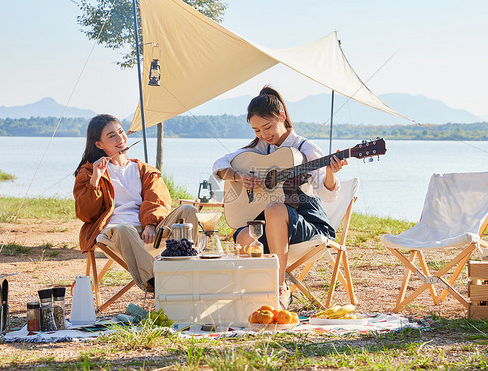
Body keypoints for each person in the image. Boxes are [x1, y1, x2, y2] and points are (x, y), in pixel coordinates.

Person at [212, 86, 347, 309]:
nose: (264, 135)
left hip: (307, 224)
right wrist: (238, 176)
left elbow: (328, 195)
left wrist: (331, 172)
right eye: (256, 131)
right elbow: (220, 164)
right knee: (243, 236)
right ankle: (254, 294)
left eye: (267, 127)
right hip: (272, 226)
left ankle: (279, 288)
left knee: (274, 208)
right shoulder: (261, 148)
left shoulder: (305, 149)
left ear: (282, 117)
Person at [74, 114, 197, 292]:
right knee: (125, 228)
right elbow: (86, 214)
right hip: (116, 235)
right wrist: (95, 180)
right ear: (99, 144)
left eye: (121, 132)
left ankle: (187, 270)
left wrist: (150, 224)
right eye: (111, 136)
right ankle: (159, 285)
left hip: (150, 233)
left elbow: (156, 199)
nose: (120, 138)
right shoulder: (88, 172)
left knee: (188, 210)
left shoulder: (144, 170)